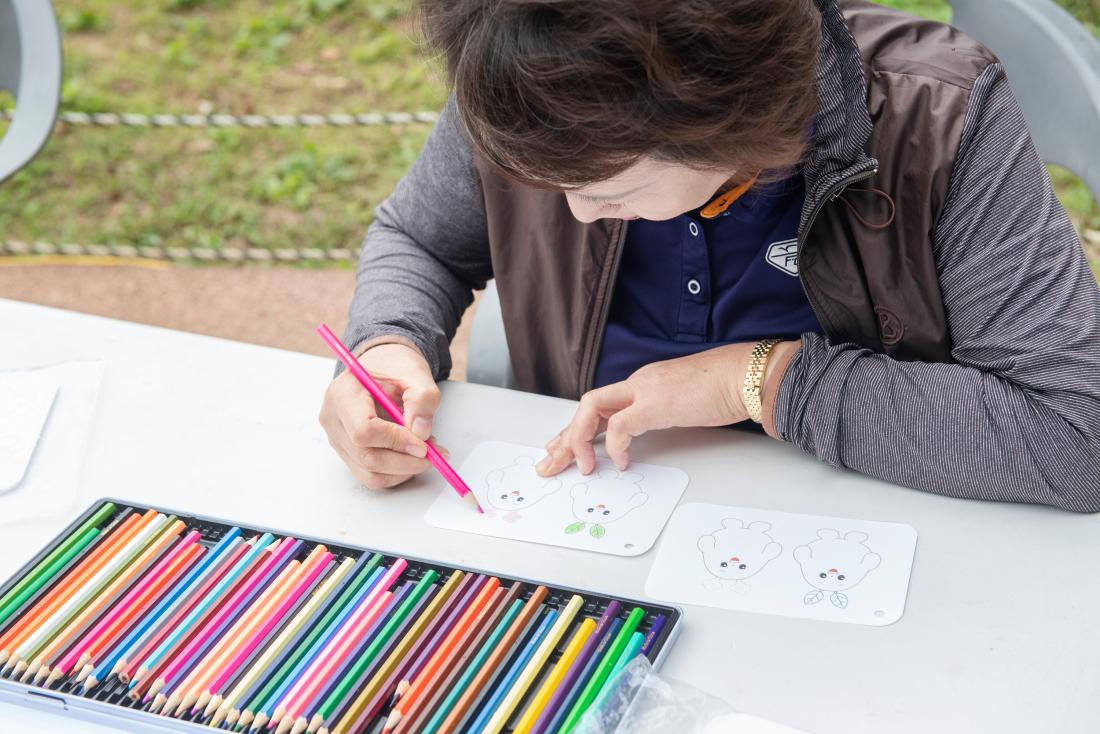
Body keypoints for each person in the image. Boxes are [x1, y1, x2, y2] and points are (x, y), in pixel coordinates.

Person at [319, 0, 1100, 511]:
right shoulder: (525, 72)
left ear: (733, 123)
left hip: (863, 524)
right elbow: (421, 240)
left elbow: (1077, 435)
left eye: (609, 187)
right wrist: (386, 346)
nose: (572, 213)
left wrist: (755, 381)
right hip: (596, 506)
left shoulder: (940, 120)